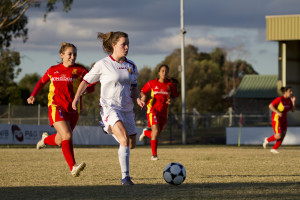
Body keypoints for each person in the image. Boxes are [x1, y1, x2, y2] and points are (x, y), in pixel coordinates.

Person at [72, 31, 144, 186]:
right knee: (123, 139)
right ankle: (125, 178)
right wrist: (76, 98)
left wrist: (137, 98)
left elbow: (134, 86)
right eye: (123, 44)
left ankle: (106, 127)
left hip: (127, 109)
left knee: (131, 144)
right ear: (113, 45)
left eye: (128, 44)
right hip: (109, 107)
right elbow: (85, 81)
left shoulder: (131, 65)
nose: (126, 47)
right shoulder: (103, 64)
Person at [27, 42, 95, 177]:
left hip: (74, 109)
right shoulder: (53, 70)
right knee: (68, 135)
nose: (72, 57)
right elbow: (41, 82)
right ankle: (73, 167)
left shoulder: (81, 70)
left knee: (60, 140)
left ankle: (45, 140)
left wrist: (87, 90)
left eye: (74, 54)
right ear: (62, 55)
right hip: (56, 106)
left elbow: (91, 84)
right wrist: (33, 94)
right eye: (69, 54)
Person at [138, 64, 179, 160]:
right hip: (152, 109)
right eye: (163, 71)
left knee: (156, 134)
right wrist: (143, 98)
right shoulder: (152, 83)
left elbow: (174, 97)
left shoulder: (170, 85)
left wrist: (171, 101)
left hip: (164, 112)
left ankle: (145, 132)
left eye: (166, 71)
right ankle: (154, 155)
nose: (164, 73)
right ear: (159, 73)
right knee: (155, 131)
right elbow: (143, 91)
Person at [263, 86, 296, 153]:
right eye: (290, 91)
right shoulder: (279, 99)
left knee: (283, 135)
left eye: (291, 91)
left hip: (284, 120)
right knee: (278, 135)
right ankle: (267, 140)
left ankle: (274, 149)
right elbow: (270, 106)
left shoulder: (289, 100)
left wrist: (293, 102)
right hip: (277, 119)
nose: (291, 92)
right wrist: (277, 112)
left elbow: (292, 110)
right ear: (285, 92)